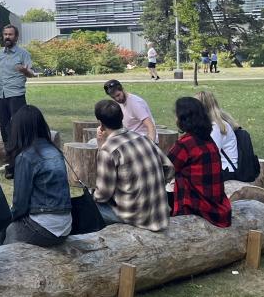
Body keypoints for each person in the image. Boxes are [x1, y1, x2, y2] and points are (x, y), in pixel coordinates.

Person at [93, 98, 173, 231]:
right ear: (121, 117)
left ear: (101, 124)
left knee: (90, 206)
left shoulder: (109, 150)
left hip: (136, 217)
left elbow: (103, 194)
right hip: (160, 213)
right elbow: (169, 168)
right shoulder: (143, 139)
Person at [0, 105, 72, 247]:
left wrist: (4, 220)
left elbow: (20, 204)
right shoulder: (55, 151)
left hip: (45, 227)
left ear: (19, 129)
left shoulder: (27, 157)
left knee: (4, 228)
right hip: (65, 226)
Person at [168, 97, 231, 228]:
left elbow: (165, 169)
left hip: (195, 207)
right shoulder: (209, 141)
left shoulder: (185, 144)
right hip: (218, 208)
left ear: (183, 118)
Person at [0, 24, 35, 176]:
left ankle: (19, 157)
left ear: (16, 37)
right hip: (0, 95)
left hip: (16, 95)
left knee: (17, 126)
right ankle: (9, 157)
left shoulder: (23, 54)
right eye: (5, 34)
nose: (7, 37)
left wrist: (25, 70)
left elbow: (31, 74)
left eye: (10, 34)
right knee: (4, 126)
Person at [195, 89, 239, 179]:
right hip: (219, 168)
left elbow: (211, 154)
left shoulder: (216, 127)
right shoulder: (212, 125)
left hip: (226, 170)